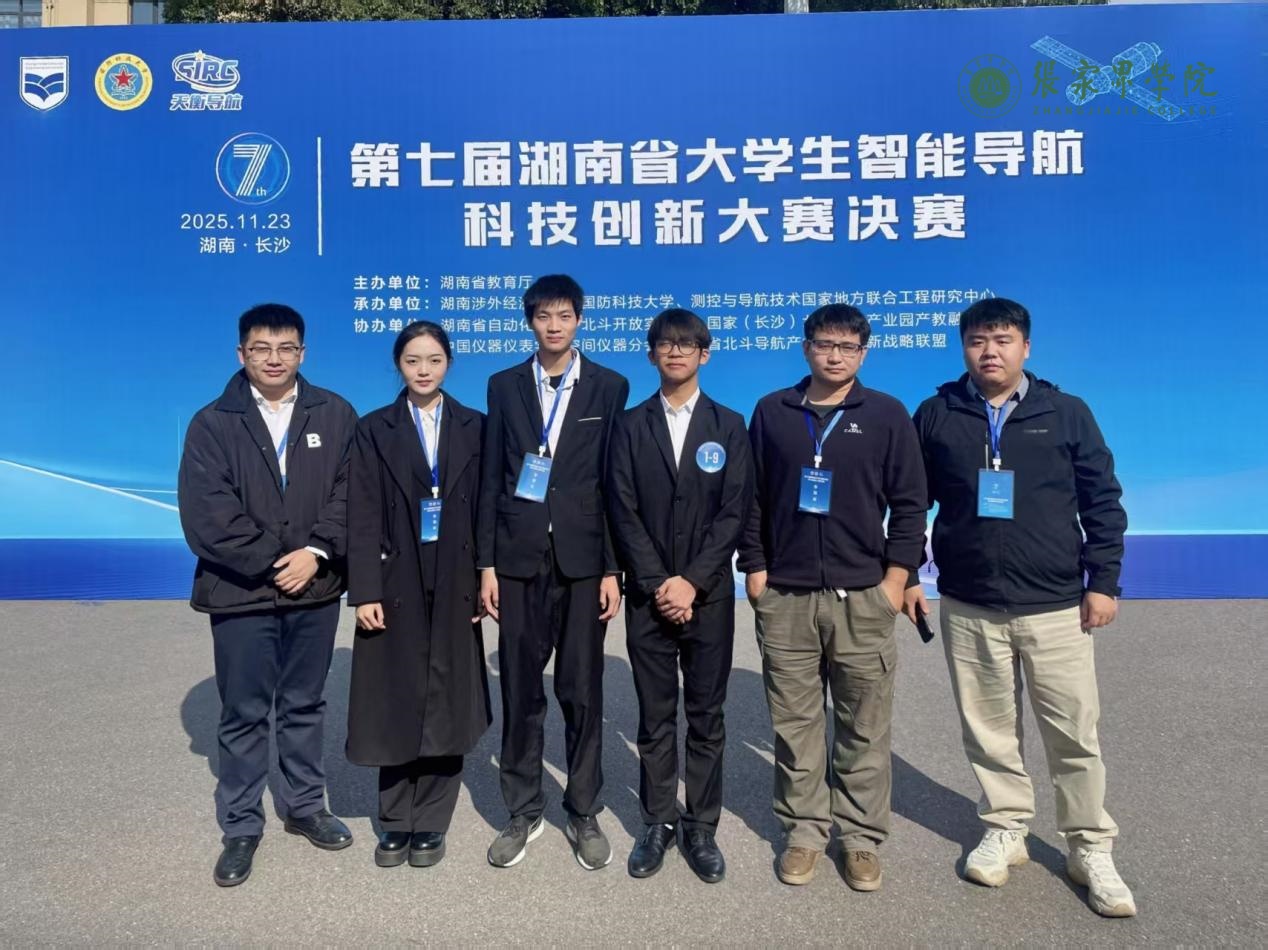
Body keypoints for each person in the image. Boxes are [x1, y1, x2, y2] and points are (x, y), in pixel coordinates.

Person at [907, 297, 1135, 917]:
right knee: (988, 728)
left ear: (1025, 347)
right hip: (969, 601)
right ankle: (1006, 826)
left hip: (1055, 604)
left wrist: (1103, 582)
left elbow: (1103, 501)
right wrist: (907, 571)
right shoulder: (937, 414)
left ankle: (1089, 845)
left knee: (1073, 733)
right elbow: (911, 500)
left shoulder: (1065, 412)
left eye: (1002, 340)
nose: (990, 352)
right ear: (963, 348)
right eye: (977, 340)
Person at [738, 304, 927, 891]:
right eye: (824, 344)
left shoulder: (887, 414)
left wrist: (895, 581)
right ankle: (803, 832)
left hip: (863, 595)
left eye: (847, 346)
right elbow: (752, 498)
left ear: (863, 353)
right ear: (806, 348)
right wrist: (756, 569)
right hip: (787, 595)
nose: (835, 355)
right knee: (795, 726)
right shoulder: (773, 411)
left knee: (863, 726)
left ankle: (860, 837)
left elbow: (910, 504)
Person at [178, 303, 358, 887]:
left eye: (285, 348)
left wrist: (316, 553)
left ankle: (305, 807)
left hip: (315, 586)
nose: (274, 359)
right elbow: (207, 514)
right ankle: (240, 826)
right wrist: (275, 562)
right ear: (242, 354)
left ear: (302, 353)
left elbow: (352, 493)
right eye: (261, 348)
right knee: (245, 711)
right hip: (241, 592)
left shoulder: (335, 413)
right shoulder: (212, 423)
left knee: (304, 703)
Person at [477, 274, 629, 871]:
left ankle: (583, 807)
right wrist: (486, 563)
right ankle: (523, 809)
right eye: (544, 316)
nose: (554, 326)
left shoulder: (609, 386)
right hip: (517, 559)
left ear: (579, 320)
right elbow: (492, 476)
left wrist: (613, 567)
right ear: (530, 322)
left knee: (582, 690)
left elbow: (614, 483)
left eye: (564, 315)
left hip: (584, 560)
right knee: (520, 689)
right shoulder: (504, 385)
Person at [607, 308, 754, 884]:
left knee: (706, 715)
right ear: (651, 355)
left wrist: (692, 580)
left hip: (708, 595)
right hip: (649, 597)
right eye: (665, 344)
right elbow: (622, 508)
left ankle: (701, 826)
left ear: (704, 354)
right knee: (655, 714)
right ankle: (657, 820)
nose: (675, 352)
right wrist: (657, 582)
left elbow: (734, 511)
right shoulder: (629, 425)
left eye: (686, 344)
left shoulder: (729, 424)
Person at [344, 322, 491, 870]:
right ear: (398, 365)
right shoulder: (373, 428)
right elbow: (360, 512)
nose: (423, 370)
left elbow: (488, 509)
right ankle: (394, 818)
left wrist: (485, 575)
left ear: (449, 363)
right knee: (396, 693)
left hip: (456, 575)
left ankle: (431, 819)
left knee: (447, 695)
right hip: (395, 576)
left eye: (433, 359)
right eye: (412, 360)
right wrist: (364, 590)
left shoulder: (476, 427)